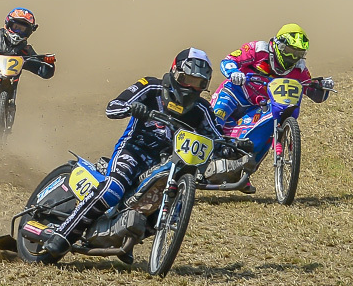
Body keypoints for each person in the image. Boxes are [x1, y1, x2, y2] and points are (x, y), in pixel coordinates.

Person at [41, 48, 222, 261]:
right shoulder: (150, 87)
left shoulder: (202, 108)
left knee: (166, 205)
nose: (191, 87)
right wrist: (132, 108)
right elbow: (113, 107)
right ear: (174, 72)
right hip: (132, 151)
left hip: (162, 164)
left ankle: (125, 236)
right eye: (186, 79)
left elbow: (217, 136)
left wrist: (232, 146)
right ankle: (65, 233)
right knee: (112, 190)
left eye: (198, 83)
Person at [210, 24, 333, 192]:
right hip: (235, 94)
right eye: (288, 50)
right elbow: (229, 60)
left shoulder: (299, 68)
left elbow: (313, 92)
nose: (292, 57)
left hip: (259, 105)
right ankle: (198, 161)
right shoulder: (258, 49)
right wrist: (234, 73)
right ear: (278, 44)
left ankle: (241, 171)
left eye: (298, 54)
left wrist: (322, 87)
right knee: (214, 119)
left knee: (266, 131)